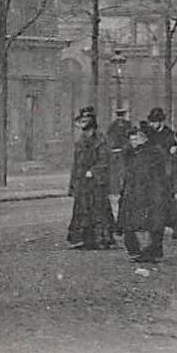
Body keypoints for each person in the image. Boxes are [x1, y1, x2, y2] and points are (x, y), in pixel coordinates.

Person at [117, 124, 171, 262]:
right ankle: (142, 251)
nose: (133, 142)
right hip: (136, 192)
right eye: (132, 140)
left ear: (144, 138)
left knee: (149, 223)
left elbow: (153, 175)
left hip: (149, 193)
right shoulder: (135, 152)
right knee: (138, 223)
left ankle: (149, 252)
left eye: (136, 139)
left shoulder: (151, 153)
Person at [67, 107, 115, 250]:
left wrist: (93, 171)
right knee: (82, 209)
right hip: (83, 181)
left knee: (98, 209)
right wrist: (73, 183)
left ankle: (102, 238)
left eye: (85, 122)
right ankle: (83, 239)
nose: (83, 126)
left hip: (96, 181)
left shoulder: (101, 139)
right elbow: (76, 163)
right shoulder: (80, 141)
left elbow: (104, 160)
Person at [105, 108, 134, 196]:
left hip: (126, 151)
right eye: (119, 116)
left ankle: (124, 189)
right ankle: (115, 190)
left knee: (124, 171)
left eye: (122, 116)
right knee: (115, 172)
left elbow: (130, 137)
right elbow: (110, 137)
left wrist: (126, 146)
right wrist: (112, 147)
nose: (120, 118)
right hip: (115, 151)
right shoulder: (112, 126)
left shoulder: (128, 125)